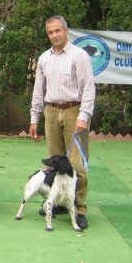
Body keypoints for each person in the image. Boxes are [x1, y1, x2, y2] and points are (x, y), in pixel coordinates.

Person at [29, 15, 95, 230]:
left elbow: (88, 88)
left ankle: (80, 209)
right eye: (50, 32)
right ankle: (55, 203)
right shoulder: (43, 58)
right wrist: (34, 119)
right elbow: (38, 90)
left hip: (74, 111)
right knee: (54, 165)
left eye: (58, 31)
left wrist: (84, 116)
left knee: (77, 165)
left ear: (66, 31)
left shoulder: (80, 56)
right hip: (51, 111)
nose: (54, 35)